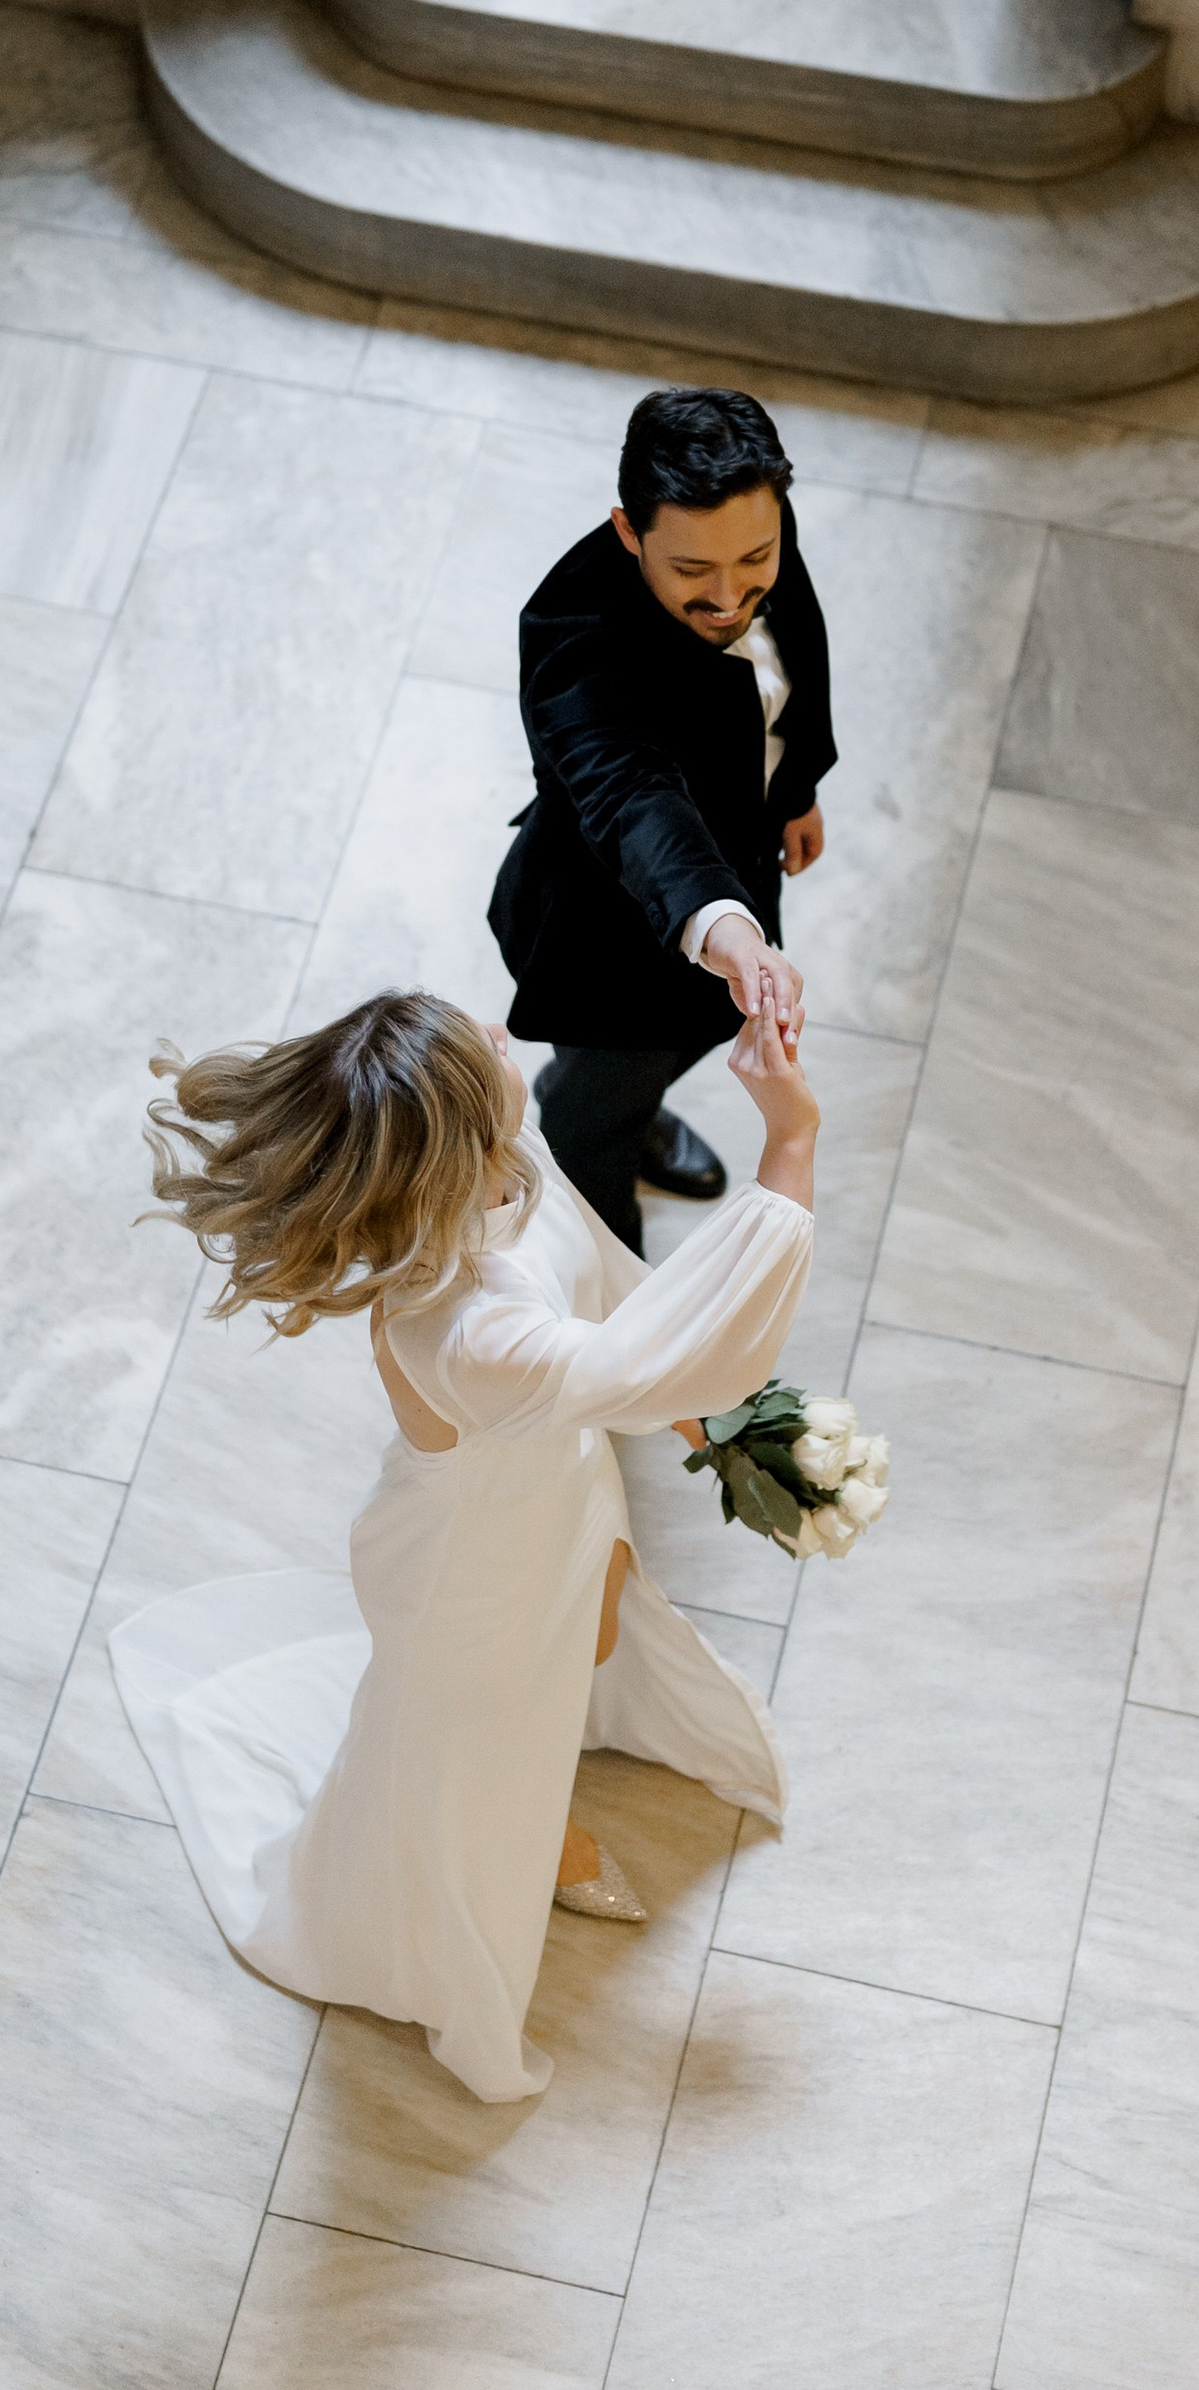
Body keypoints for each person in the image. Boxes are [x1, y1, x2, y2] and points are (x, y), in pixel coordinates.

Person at [112, 985, 820, 2104]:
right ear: (467, 1151)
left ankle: (541, 1794)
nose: (503, 1040)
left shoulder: (495, 1172)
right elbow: (665, 1355)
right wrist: (791, 1138)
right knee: (484, 1737)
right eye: (490, 1062)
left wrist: (715, 1434)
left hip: (548, 1488)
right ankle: (521, 1847)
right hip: (475, 1564)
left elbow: (619, 1321)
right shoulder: (474, 1328)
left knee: (593, 1623)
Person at [490, 384, 836, 1249]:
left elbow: (797, 669)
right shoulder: (573, 636)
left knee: (659, 1067)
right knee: (591, 1104)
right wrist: (722, 923)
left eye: (756, 558)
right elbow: (631, 792)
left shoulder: (746, 542)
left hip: (739, 869)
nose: (730, 598)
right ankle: (605, 1245)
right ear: (627, 532)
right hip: (610, 940)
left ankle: (639, 1122)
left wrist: (795, 791)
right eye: (690, 572)